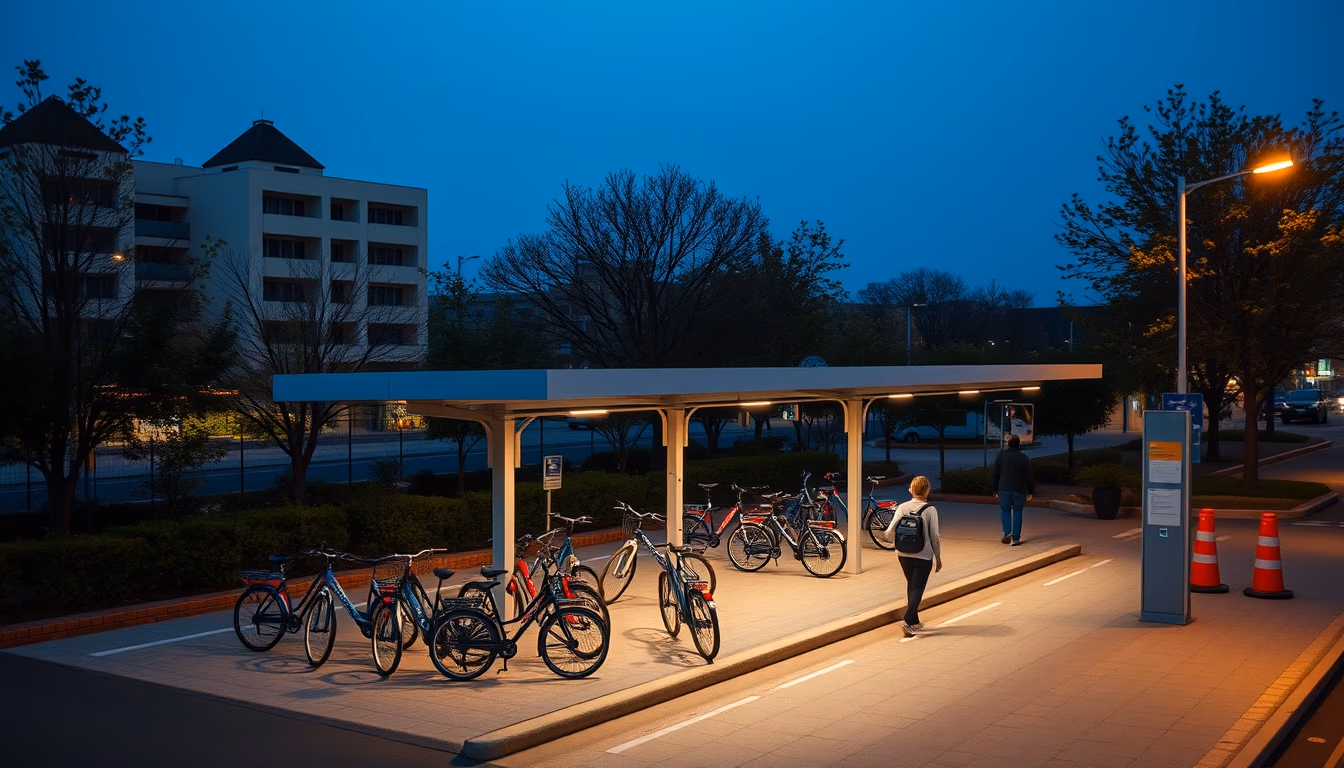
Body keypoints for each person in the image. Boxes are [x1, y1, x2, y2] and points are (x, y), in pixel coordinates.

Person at [884, 475, 942, 638]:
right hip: (923, 555)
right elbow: (935, 537)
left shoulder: (902, 507)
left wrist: (898, 544)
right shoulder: (930, 510)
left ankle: (915, 620)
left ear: (911, 490)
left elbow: (889, 532)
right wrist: (938, 557)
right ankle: (908, 621)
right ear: (927, 490)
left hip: (903, 554)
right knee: (917, 587)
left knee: (912, 585)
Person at [992, 434, 1036, 546]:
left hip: (1003, 489)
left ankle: (1007, 533)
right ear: (1018, 444)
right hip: (1019, 489)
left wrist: (994, 489)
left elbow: (995, 474)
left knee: (1005, 511)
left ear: (1008, 444)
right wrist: (1030, 491)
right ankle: (1016, 537)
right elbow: (1029, 475)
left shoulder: (1001, 456)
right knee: (1018, 511)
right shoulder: (1023, 457)